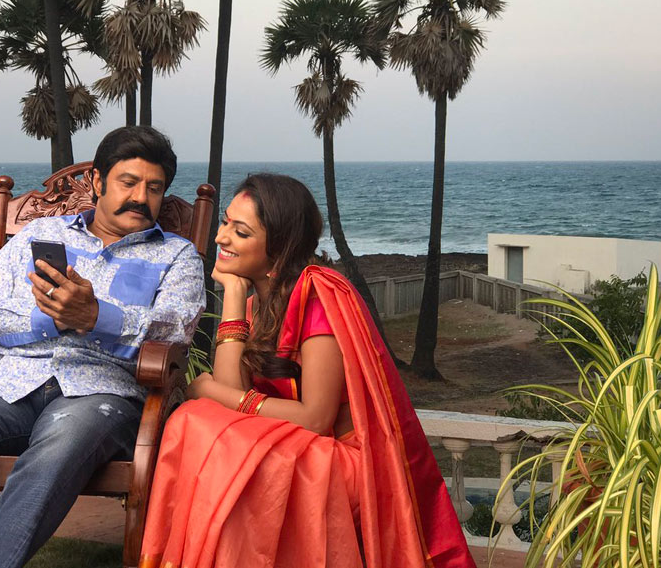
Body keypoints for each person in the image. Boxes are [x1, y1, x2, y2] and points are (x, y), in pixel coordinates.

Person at [0, 126, 206, 568]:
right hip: (10, 383)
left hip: (101, 394)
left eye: (154, 188)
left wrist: (98, 317)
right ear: (97, 182)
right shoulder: (39, 234)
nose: (141, 197)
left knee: (63, 442)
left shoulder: (176, 256)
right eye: (128, 182)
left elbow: (175, 331)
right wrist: (51, 319)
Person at [140, 173, 475, 568]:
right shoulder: (255, 305)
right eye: (226, 222)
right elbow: (232, 401)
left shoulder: (317, 298)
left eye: (240, 232)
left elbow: (316, 418)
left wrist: (211, 390)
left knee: (203, 422)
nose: (221, 237)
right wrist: (233, 296)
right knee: (197, 421)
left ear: (280, 246)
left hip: (341, 461)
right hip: (296, 446)